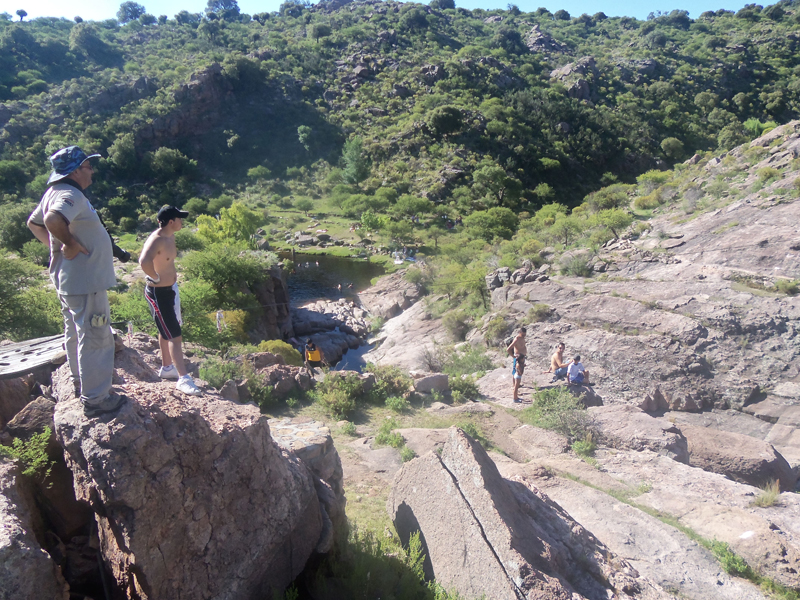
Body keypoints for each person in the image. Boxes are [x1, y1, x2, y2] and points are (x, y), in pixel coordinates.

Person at [27, 146, 126, 417]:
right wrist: (67, 243)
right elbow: (50, 219)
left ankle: (80, 380)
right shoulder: (70, 194)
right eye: (87, 166)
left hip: (70, 280)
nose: (91, 171)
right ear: (74, 171)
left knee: (75, 331)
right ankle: (95, 399)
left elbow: (33, 223)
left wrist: (57, 247)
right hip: (85, 282)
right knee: (96, 335)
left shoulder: (53, 192)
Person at [139, 206, 202, 396]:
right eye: (179, 219)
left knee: (165, 329)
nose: (182, 221)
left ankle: (167, 368)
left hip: (170, 291)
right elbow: (143, 261)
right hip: (158, 294)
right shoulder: (157, 239)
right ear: (171, 221)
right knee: (175, 334)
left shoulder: (170, 237)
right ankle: (183, 379)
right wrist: (155, 278)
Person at [506, 327, 527, 403]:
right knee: (516, 372)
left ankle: (516, 385)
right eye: (523, 334)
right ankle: (515, 388)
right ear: (519, 333)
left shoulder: (523, 338)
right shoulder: (517, 339)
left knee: (519, 372)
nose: (524, 336)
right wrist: (513, 356)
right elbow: (508, 349)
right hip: (518, 358)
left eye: (525, 334)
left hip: (522, 358)